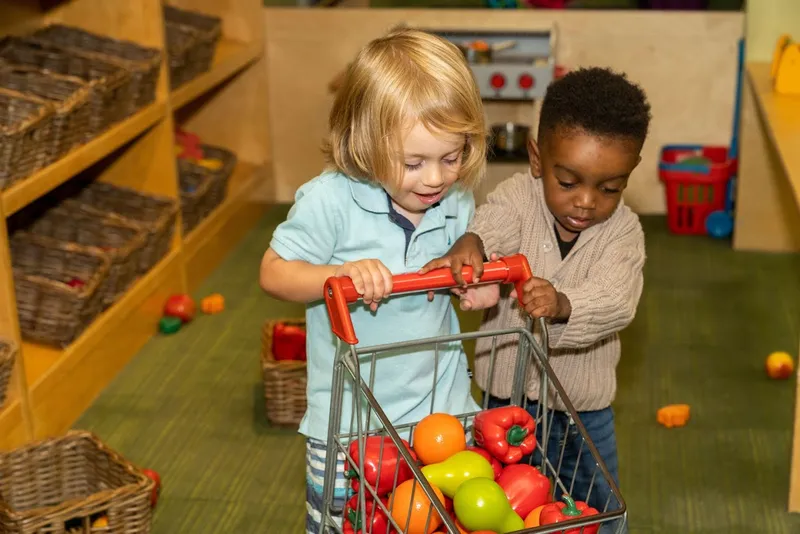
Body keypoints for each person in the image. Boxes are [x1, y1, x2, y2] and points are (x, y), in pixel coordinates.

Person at [259, 28, 487, 534]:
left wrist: (471, 283)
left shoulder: (454, 201)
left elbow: (461, 284)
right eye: (413, 162)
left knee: (443, 521)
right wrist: (335, 274)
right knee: (345, 525)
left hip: (441, 410)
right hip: (350, 423)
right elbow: (273, 273)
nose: (435, 178)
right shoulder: (329, 201)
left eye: (451, 157)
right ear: (364, 143)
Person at [421, 66, 651, 532]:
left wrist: (565, 304)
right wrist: (474, 242)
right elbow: (494, 221)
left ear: (629, 174)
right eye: (568, 182)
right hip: (502, 400)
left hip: (580, 413)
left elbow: (618, 300)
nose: (586, 201)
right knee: (496, 505)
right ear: (535, 158)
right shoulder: (518, 197)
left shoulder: (625, 232)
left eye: (609, 188)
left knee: (597, 506)